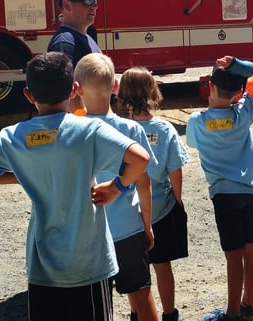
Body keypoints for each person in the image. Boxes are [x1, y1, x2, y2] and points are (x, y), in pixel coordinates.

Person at [0, 52, 151, 321]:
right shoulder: (89, 130)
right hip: (89, 262)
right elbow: (140, 158)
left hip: (43, 264)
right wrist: (117, 186)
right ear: (74, 90)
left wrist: (23, 174)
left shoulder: (12, 136)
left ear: (28, 94)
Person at [186, 56, 253, 321]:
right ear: (239, 92)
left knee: (233, 255)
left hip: (224, 195)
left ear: (211, 87)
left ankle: (231, 314)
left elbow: (194, 144)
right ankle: (247, 306)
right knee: (250, 247)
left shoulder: (197, 122)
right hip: (251, 190)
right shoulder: (243, 112)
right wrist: (238, 64)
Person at [75, 53, 160, 321]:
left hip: (88, 232)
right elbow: (144, 182)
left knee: (95, 303)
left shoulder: (73, 130)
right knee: (141, 294)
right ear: (115, 87)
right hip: (127, 228)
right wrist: (146, 223)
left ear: (76, 89)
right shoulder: (132, 129)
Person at [117, 67, 191, 321]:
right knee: (163, 266)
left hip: (130, 212)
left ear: (122, 94)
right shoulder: (165, 128)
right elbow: (175, 171)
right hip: (162, 207)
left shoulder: (121, 129)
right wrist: (177, 202)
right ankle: (170, 314)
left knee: (135, 270)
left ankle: (137, 313)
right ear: (152, 91)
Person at [48, 0, 105, 112]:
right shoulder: (64, 42)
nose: (94, 6)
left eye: (95, 1)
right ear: (67, 5)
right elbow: (64, 93)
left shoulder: (86, 38)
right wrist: (82, 124)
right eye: (88, 1)